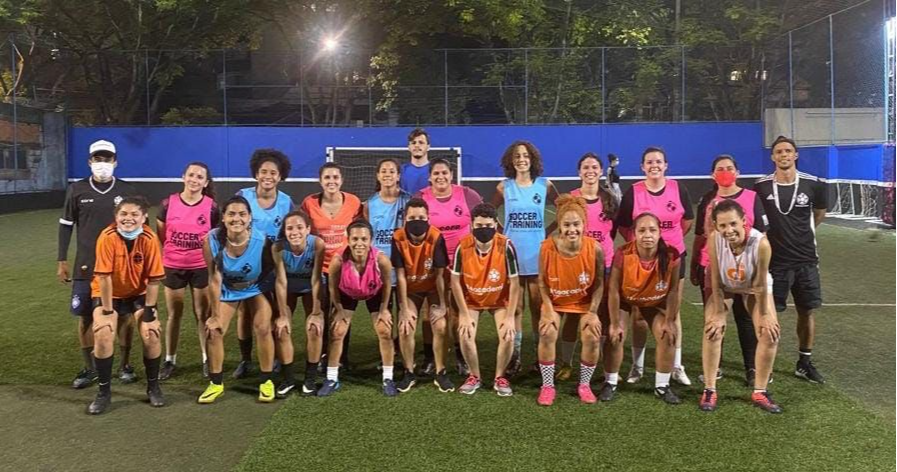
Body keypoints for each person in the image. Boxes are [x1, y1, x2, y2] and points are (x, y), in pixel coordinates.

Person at [58, 139, 137, 390]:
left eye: (107, 159)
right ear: (90, 162)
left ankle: (125, 365)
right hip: (86, 267)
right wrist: (62, 259)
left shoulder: (126, 191)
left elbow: (135, 227)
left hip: (120, 268)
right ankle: (89, 368)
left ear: (116, 162)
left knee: (124, 317)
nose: (103, 164)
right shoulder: (77, 190)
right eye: (98, 159)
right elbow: (66, 225)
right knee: (85, 318)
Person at [616, 146, 694, 386]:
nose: (654, 165)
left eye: (659, 161)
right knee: (638, 314)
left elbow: (687, 221)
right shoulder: (634, 192)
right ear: (642, 167)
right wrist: (643, 246)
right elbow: (623, 226)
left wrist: (666, 246)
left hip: (672, 259)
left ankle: (676, 366)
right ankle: (637, 367)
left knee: (673, 311)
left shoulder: (677, 188)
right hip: (641, 262)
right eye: (649, 162)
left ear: (666, 165)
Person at [754, 135, 828, 384]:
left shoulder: (813, 184)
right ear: (773, 157)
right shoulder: (761, 186)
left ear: (795, 155)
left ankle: (804, 362)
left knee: (807, 311)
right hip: (775, 263)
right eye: (779, 152)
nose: (784, 155)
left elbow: (818, 215)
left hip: (806, 259)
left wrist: (800, 237)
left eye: (788, 151)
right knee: (768, 314)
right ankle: (765, 365)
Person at [690, 154, 768, 386]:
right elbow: (699, 236)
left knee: (745, 319)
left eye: (729, 168)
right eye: (720, 169)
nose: (725, 172)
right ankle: (715, 367)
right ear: (712, 174)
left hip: (747, 268)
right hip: (713, 267)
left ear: (738, 171)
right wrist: (695, 263)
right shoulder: (707, 199)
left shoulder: (752, 197)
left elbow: (763, 233)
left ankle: (752, 368)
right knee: (714, 318)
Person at [700, 200, 782, 413]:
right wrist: (718, 313)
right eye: (723, 225)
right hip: (725, 286)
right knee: (712, 329)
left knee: (769, 333)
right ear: (716, 226)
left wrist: (764, 315)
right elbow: (715, 278)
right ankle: (710, 389)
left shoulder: (761, 243)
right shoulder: (714, 240)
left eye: (733, 224)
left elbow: (760, 283)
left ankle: (760, 391)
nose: (729, 230)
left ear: (744, 221)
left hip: (754, 288)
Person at [86, 196, 166, 414]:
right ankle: (104, 393)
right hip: (108, 293)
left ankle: (153, 387)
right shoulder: (107, 237)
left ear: (143, 218)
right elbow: (104, 278)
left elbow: (154, 279)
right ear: (116, 216)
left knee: (152, 333)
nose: (128, 219)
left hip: (139, 294)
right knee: (103, 333)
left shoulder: (149, 239)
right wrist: (108, 311)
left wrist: (149, 310)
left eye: (134, 214)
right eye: (123, 214)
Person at [489, 141, 559, 377]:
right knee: (516, 308)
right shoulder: (504, 187)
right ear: (511, 160)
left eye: (526, 155)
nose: (521, 159)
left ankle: (542, 358)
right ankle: (515, 357)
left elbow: (565, 210)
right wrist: (501, 233)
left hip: (538, 255)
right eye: (517, 156)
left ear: (533, 159)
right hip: (512, 257)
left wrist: (547, 233)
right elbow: (488, 213)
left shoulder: (544, 185)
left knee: (538, 307)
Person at [198, 196, 276, 404]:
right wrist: (214, 316)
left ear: (250, 218)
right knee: (213, 330)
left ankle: (266, 381)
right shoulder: (211, 240)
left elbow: (272, 272)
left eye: (242, 214)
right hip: (228, 289)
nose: (237, 219)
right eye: (231, 214)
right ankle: (216, 384)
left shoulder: (262, 241)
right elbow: (213, 279)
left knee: (262, 327)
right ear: (223, 218)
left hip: (256, 287)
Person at [606, 212, 683, 404]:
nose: (647, 235)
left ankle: (662, 386)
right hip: (626, 299)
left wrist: (670, 320)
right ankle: (610, 382)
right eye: (641, 230)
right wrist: (615, 323)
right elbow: (614, 290)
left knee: (668, 335)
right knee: (616, 335)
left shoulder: (672, 255)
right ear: (634, 233)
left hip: (653, 303)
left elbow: (673, 291)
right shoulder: (623, 253)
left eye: (652, 230)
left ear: (659, 233)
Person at [535, 195, 605, 405]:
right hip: (555, 302)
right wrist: (547, 308)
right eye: (566, 225)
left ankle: (584, 385)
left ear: (584, 224)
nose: (571, 229)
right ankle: (547, 386)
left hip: (583, 304)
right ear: (560, 225)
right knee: (547, 332)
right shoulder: (546, 247)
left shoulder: (595, 249)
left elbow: (600, 283)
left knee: (592, 335)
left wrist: (592, 311)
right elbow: (541, 282)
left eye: (576, 224)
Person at [416, 159, 483, 376]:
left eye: (444, 172)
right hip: (433, 263)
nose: (440, 177)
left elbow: (482, 221)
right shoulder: (421, 197)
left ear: (451, 174)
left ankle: (460, 355)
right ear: (429, 177)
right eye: (436, 173)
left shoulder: (467, 195)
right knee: (431, 311)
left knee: (456, 311)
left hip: (461, 263)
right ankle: (428, 357)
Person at [233, 149, 294, 379]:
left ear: (280, 176)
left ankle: (278, 357)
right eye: (263, 172)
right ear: (256, 174)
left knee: (279, 310)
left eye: (273, 173)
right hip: (246, 267)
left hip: (274, 266)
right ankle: (246, 360)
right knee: (245, 314)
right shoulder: (243, 197)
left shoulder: (287, 202)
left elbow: (291, 234)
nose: (268, 176)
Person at [316, 220, 396, 397]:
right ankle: (331, 378)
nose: (359, 243)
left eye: (364, 239)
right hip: (347, 293)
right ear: (348, 239)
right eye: (355, 239)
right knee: (337, 331)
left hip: (374, 292)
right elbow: (332, 287)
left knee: (384, 330)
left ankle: (388, 378)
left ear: (371, 240)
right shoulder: (338, 260)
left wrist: (384, 309)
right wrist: (338, 309)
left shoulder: (381, 260)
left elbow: (388, 284)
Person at [156, 162, 219, 380]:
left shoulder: (211, 207)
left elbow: (215, 237)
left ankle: (206, 358)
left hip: (201, 267)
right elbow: (162, 235)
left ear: (206, 182)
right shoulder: (168, 204)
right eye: (191, 175)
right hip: (173, 265)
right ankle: (170, 359)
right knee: (174, 314)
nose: (194, 180)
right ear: (183, 177)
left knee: (202, 315)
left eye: (200, 177)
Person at [452, 203, 521, 396]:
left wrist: (510, 317)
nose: (484, 230)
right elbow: (455, 281)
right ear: (472, 226)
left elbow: (515, 283)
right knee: (464, 333)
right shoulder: (462, 246)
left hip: (499, 300)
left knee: (508, 334)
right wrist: (464, 314)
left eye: (489, 226)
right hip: (473, 300)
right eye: (480, 226)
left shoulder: (506, 245)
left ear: (495, 225)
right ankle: (474, 376)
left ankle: (500, 377)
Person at [301, 163, 363, 369]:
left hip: (344, 267)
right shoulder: (309, 203)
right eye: (327, 177)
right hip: (320, 268)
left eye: (335, 177)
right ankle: (321, 355)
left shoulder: (353, 202)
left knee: (343, 312)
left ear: (342, 180)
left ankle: (342, 357)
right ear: (320, 181)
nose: (331, 181)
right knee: (322, 311)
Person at [569, 153, 621, 401]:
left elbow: (615, 231)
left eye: (594, 167)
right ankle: (566, 363)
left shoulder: (609, 199)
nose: (590, 170)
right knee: (573, 313)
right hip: (578, 265)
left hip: (606, 265)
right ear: (579, 171)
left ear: (601, 171)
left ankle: (600, 366)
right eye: (585, 167)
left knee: (604, 315)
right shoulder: (571, 199)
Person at [391, 198, 451, 392]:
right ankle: (409, 372)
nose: (417, 220)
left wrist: (443, 305)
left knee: (440, 325)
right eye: (412, 217)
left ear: (428, 218)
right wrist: (403, 308)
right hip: (411, 289)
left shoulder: (436, 236)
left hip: (433, 287)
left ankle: (440, 371)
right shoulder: (398, 238)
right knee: (405, 326)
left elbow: (441, 276)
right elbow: (400, 276)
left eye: (421, 217)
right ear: (405, 219)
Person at [273, 211, 326, 397]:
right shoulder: (278, 248)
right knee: (281, 329)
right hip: (288, 289)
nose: (294, 232)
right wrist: (281, 314)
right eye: (289, 228)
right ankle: (288, 379)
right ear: (284, 231)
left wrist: (317, 312)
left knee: (314, 328)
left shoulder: (317, 244)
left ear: (308, 229)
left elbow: (316, 278)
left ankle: (310, 379)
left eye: (299, 227)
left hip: (311, 289)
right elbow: (280, 282)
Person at [400, 128, 433, 195]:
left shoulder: (435, 170)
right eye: (413, 143)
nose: (417, 145)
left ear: (428, 147)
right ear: (409, 147)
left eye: (421, 142)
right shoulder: (401, 170)